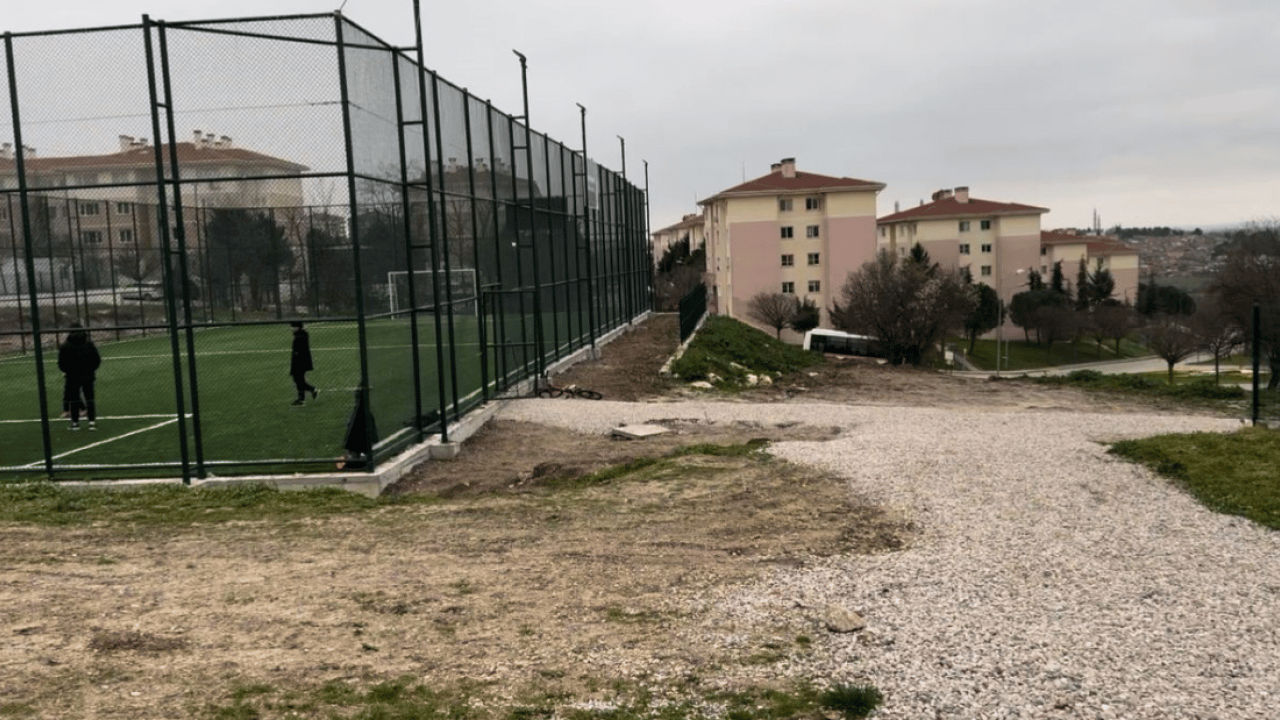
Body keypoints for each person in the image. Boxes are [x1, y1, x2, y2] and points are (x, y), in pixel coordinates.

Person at [57, 322, 101, 430]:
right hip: (88, 375)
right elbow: (97, 360)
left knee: (74, 399)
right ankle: (91, 422)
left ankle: (75, 423)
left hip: (72, 376)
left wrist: (67, 370)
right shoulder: (89, 344)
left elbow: (61, 363)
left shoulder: (65, 346)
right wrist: (90, 369)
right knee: (89, 398)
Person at [289, 321, 318, 406]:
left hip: (300, 362)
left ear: (297, 327)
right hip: (301, 361)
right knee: (299, 379)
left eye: (293, 327)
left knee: (298, 379)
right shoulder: (302, 334)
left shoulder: (300, 336)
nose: (291, 329)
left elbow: (298, 350)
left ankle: (311, 390)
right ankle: (301, 399)